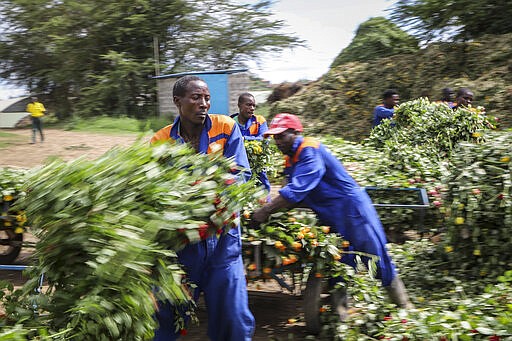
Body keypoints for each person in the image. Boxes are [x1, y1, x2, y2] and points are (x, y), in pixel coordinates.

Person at [251, 113, 414, 316]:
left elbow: (297, 190)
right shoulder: (290, 160)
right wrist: (266, 208)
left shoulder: (309, 149)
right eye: (275, 137)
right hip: (332, 216)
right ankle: (340, 315)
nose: (278, 142)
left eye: (282, 136)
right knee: (340, 262)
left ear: (296, 132)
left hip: (352, 211)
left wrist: (265, 212)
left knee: (375, 257)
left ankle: (403, 306)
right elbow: (290, 192)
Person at [150, 75, 254, 341]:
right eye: (196, 98)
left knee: (233, 317)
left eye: (207, 98)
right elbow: (155, 189)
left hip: (223, 241)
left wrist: (216, 192)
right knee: (168, 315)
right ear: (178, 101)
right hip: (185, 243)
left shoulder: (226, 126)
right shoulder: (161, 140)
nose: (204, 103)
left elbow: (241, 173)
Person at [230, 92, 271, 193]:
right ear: (239, 105)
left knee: (262, 186)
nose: (252, 108)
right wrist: (251, 139)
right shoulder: (230, 122)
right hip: (238, 164)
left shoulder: (259, 120)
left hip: (257, 162)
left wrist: (243, 139)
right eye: (248, 105)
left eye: (254, 105)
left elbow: (264, 139)